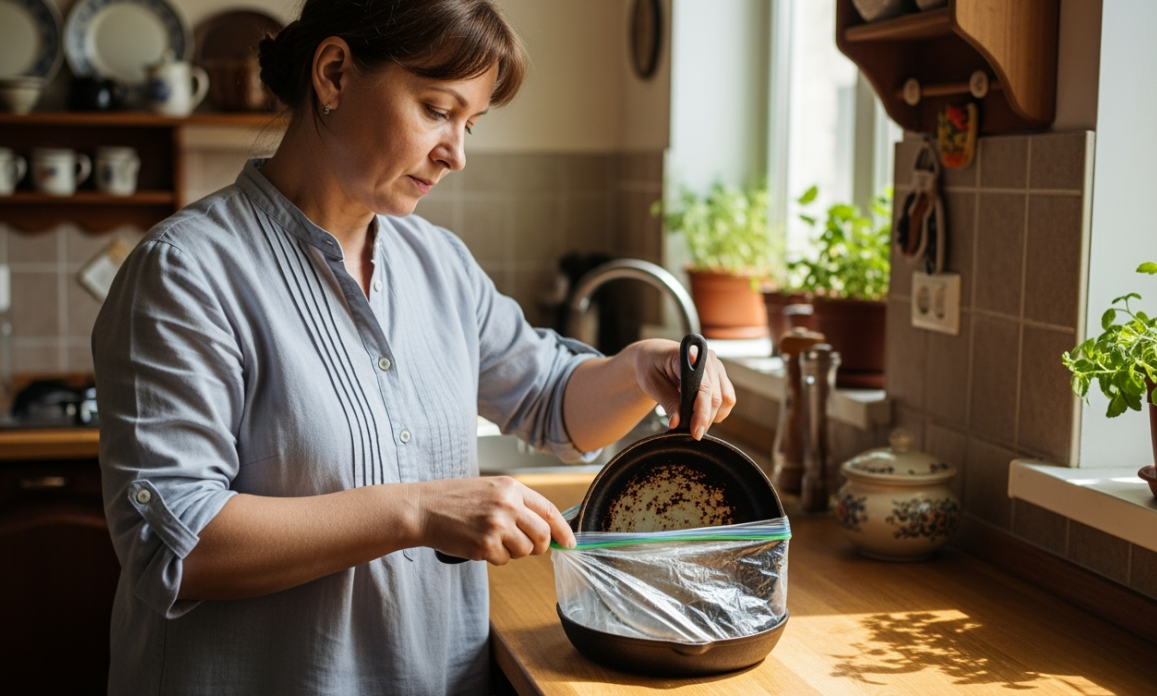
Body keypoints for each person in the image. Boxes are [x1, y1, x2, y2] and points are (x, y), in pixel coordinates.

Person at [93, 1, 736, 693]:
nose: (456, 154)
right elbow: (176, 544)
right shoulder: (186, 271)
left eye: (471, 124)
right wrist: (418, 511)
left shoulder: (439, 263)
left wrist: (642, 366)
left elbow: (552, 401)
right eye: (437, 109)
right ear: (334, 74)